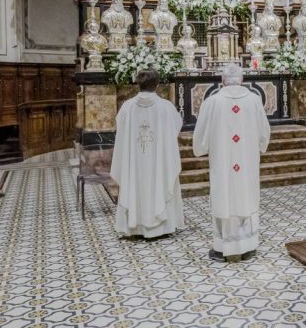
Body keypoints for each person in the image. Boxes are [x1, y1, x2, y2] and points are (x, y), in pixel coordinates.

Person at [193, 64, 271, 263]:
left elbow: (200, 136)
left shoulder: (212, 102)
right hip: (247, 164)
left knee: (224, 197)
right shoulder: (254, 100)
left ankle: (222, 247)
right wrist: (261, 145)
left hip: (222, 163)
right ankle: (247, 245)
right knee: (245, 195)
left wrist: (201, 148)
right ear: (242, 80)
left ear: (222, 80)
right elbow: (264, 132)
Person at [110, 69, 184, 239]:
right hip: (159, 160)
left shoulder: (127, 107)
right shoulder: (165, 107)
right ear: (157, 84)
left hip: (134, 161)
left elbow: (120, 131)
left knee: (134, 182)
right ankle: (162, 227)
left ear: (138, 83)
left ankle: (133, 226)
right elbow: (176, 126)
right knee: (160, 180)